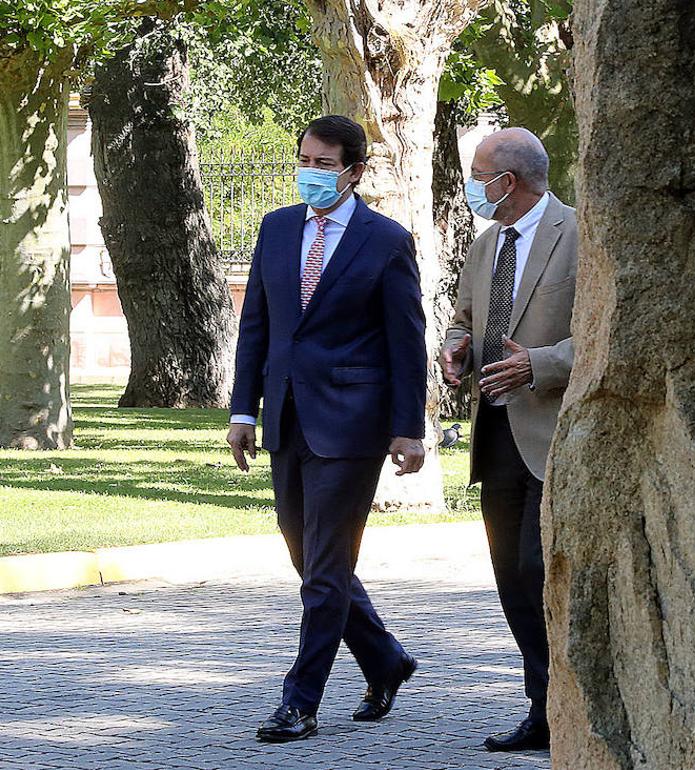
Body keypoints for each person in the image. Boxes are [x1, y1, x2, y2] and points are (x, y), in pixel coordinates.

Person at [226, 115, 428, 743]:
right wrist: (242, 410)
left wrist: (408, 428)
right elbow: (256, 325)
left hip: (351, 425)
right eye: (304, 160)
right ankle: (385, 659)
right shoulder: (277, 228)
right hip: (285, 414)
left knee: (324, 568)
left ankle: (300, 701)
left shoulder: (385, 240)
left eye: (323, 164)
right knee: (309, 555)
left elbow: (407, 342)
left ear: (354, 171)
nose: (310, 172)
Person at [441, 128, 576, 752]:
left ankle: (568, 707)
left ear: (509, 181)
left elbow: (608, 333)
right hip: (493, 430)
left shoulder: (579, 235)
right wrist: (456, 346)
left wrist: (540, 364)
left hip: (553, 434)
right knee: (507, 576)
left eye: (477, 173)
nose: (472, 185)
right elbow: (464, 319)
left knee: (536, 568)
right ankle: (542, 709)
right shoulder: (487, 242)